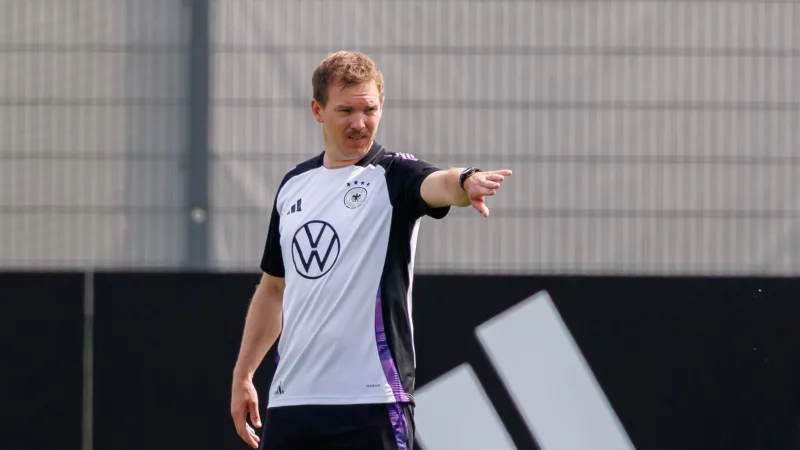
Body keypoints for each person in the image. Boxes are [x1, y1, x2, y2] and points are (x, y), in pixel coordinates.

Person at [230, 50, 512, 450]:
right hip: (292, 401)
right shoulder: (294, 185)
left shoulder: (395, 175)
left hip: (372, 402)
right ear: (317, 110)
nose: (360, 123)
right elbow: (275, 287)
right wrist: (244, 376)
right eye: (345, 110)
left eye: (370, 109)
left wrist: (465, 181)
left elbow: (439, 184)